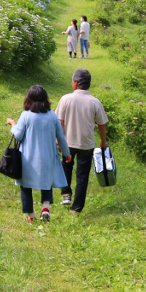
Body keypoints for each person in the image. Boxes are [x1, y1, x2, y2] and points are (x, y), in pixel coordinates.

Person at [6, 85, 71, 224]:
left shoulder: (26, 115)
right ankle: (45, 208)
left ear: (28, 99)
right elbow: (61, 137)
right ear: (45, 99)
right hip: (48, 156)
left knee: (25, 186)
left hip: (27, 158)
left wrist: (12, 124)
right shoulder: (52, 115)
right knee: (46, 183)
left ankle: (31, 215)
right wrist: (66, 153)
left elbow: (18, 135)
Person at [56, 68, 109, 213]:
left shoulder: (65, 99)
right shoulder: (95, 102)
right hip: (86, 144)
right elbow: (102, 125)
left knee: (66, 167)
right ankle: (76, 208)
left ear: (76, 83)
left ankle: (66, 194)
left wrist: (57, 140)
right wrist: (103, 142)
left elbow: (60, 122)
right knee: (82, 176)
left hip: (68, 142)